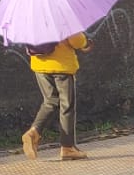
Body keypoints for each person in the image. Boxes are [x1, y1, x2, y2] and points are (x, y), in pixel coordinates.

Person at [21, 30, 89, 161]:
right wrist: (85, 43)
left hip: (39, 65)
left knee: (50, 101)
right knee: (67, 106)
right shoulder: (61, 13)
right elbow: (76, 40)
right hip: (61, 65)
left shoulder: (33, 16)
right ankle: (68, 147)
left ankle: (33, 132)